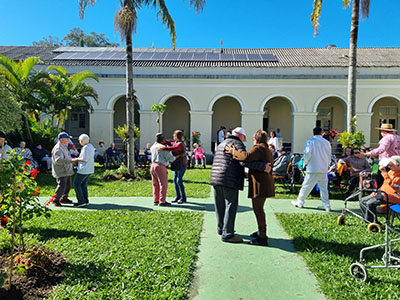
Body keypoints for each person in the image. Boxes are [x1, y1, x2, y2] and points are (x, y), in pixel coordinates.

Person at [225, 130, 274, 246]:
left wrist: (233, 151)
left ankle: (262, 237)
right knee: (259, 209)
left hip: (261, 184)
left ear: (256, 139)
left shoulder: (258, 148)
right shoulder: (266, 148)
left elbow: (245, 157)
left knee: (258, 210)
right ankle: (261, 232)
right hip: (265, 182)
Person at [291, 127, 332, 212]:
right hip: (323, 168)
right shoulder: (327, 143)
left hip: (313, 167)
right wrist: (327, 165)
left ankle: (300, 202)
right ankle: (326, 205)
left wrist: (305, 162)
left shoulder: (310, 141)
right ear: (321, 133)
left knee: (306, 186)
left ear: (313, 133)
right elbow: (329, 156)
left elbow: (307, 153)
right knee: (324, 188)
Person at [360, 156, 400, 223]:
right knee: (362, 201)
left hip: (394, 197)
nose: (389, 167)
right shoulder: (391, 171)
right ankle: (370, 221)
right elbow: (385, 185)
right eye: (388, 165)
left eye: (391, 165)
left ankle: (373, 223)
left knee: (370, 203)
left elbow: (391, 184)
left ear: (398, 165)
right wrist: (377, 191)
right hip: (384, 193)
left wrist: (384, 172)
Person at [158, 130, 188, 204]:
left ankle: (183, 197)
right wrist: (165, 141)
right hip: (176, 165)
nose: (173, 137)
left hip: (182, 165)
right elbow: (171, 144)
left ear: (177, 136)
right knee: (175, 180)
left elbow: (173, 148)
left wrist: (163, 148)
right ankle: (178, 196)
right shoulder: (176, 143)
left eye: (174, 136)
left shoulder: (180, 144)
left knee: (179, 181)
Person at [150, 133, 176, 206]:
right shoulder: (162, 147)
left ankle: (156, 199)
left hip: (153, 165)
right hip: (160, 166)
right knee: (163, 184)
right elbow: (170, 158)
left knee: (155, 184)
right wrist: (175, 157)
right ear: (163, 140)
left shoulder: (153, 147)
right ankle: (162, 201)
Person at [49, 132, 74, 206]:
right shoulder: (58, 148)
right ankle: (55, 199)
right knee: (62, 185)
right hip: (61, 170)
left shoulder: (64, 146)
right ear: (61, 139)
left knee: (68, 184)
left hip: (66, 170)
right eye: (67, 138)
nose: (68, 140)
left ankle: (64, 198)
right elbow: (58, 160)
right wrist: (70, 161)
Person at [72, 134, 95, 207]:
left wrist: (75, 159)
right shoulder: (90, 146)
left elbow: (84, 159)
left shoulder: (85, 148)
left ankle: (81, 201)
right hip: (89, 169)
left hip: (83, 169)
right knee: (83, 184)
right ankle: (85, 200)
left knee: (76, 184)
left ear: (81, 141)